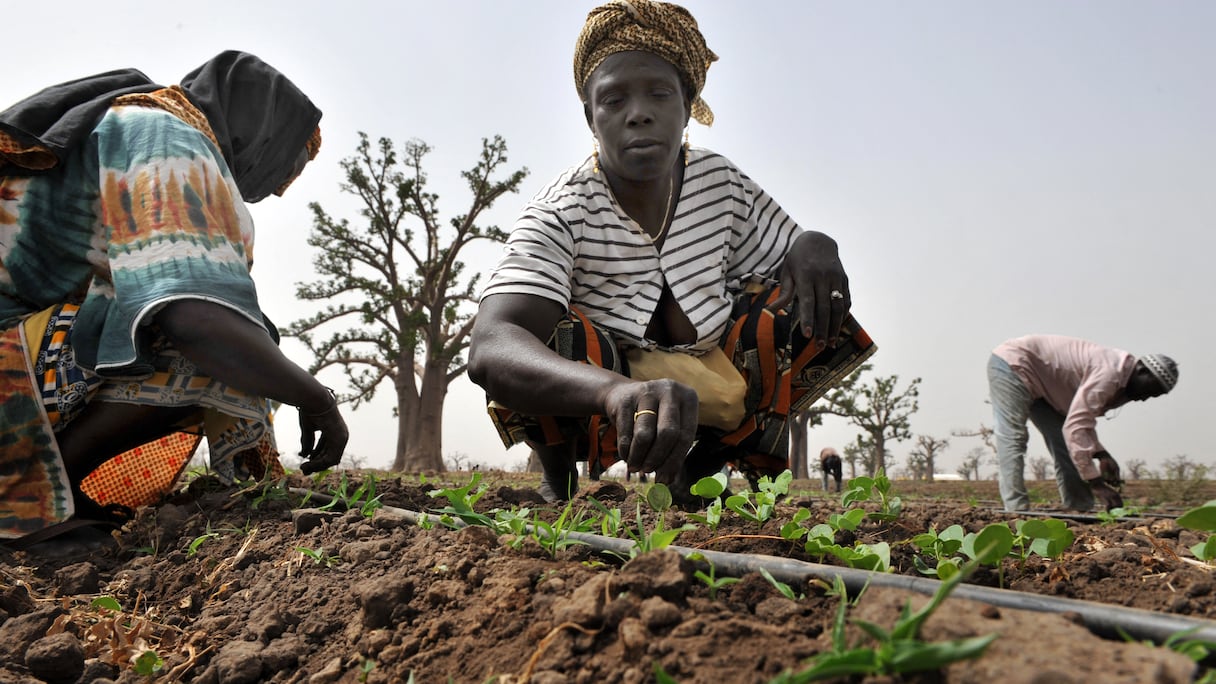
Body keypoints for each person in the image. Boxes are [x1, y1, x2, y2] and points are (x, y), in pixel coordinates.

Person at [468, 0, 875, 504]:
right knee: (550, 331)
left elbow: (787, 255)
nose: (638, 113)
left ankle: (705, 466)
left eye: (659, 93)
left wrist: (815, 243)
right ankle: (559, 475)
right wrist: (613, 391)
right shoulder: (562, 209)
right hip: (609, 398)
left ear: (686, 104)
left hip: (713, 373)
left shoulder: (720, 183)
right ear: (591, 117)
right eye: (613, 100)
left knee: (805, 298)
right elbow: (492, 345)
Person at [0, 51, 348, 545]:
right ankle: (31, 509)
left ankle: (53, 493)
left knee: (241, 338)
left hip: (19, 356)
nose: (273, 190)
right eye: (285, 164)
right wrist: (317, 401)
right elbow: (194, 319)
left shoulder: (131, 123)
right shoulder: (164, 136)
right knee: (207, 342)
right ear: (262, 133)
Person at [988, 334, 1177, 512]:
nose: (1145, 398)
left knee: (1067, 444)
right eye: (1150, 390)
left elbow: (1082, 422)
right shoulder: (1110, 373)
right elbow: (1076, 426)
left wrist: (1101, 453)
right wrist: (1097, 483)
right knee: (1013, 437)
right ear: (1142, 370)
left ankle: (1079, 509)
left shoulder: (1122, 383)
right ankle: (1015, 510)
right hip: (1013, 364)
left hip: (1044, 386)